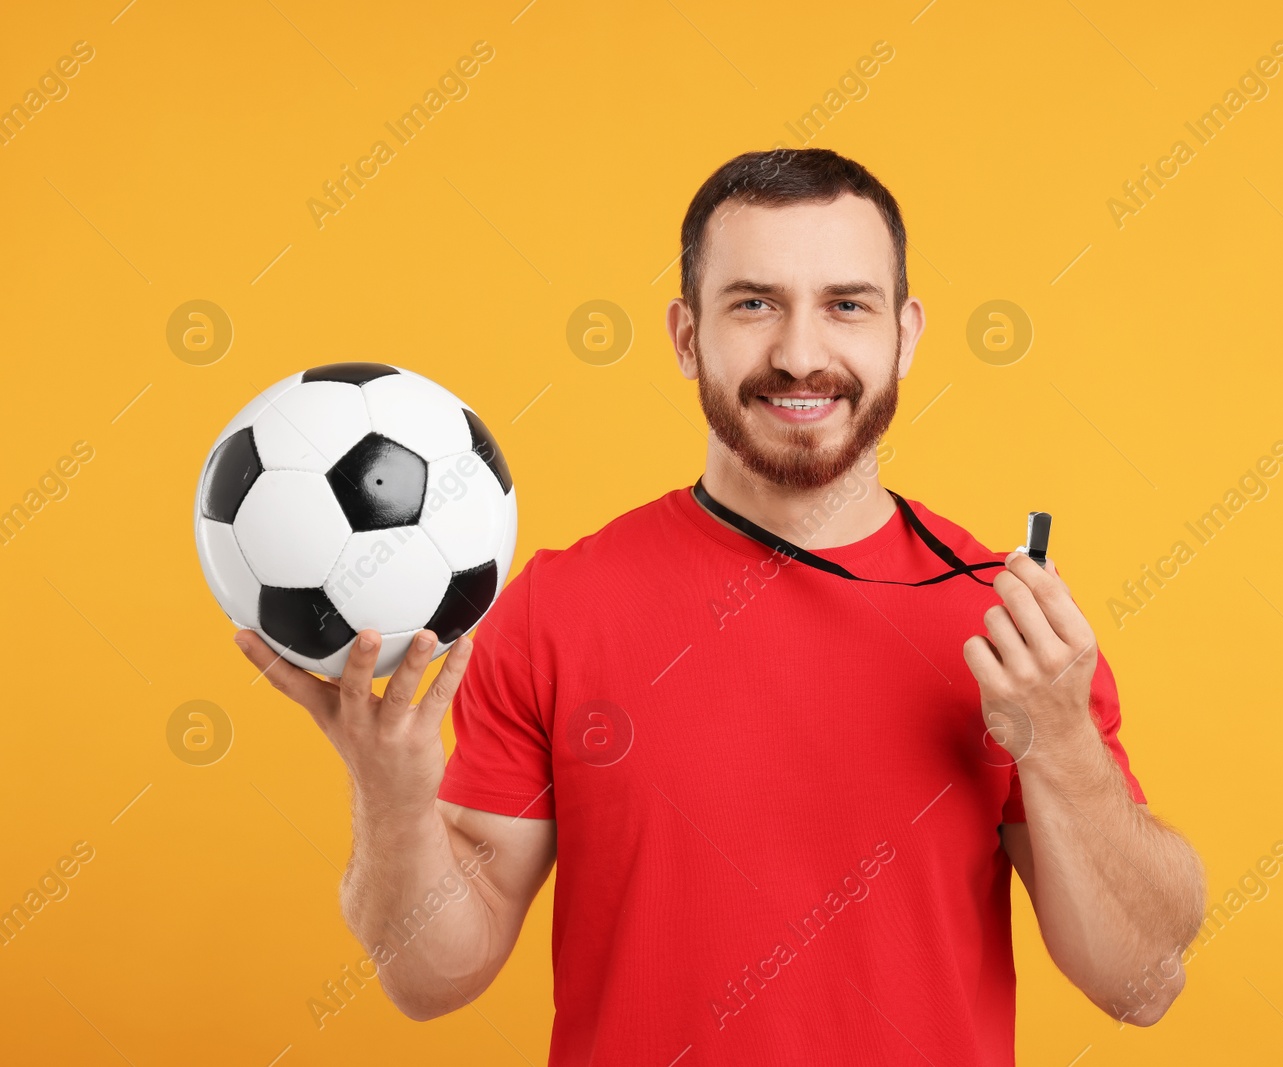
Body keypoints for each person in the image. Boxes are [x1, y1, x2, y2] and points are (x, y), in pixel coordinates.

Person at [236, 147, 1206, 1064]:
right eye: (753, 303)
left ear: (903, 334)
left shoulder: (1010, 627)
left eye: (846, 305)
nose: (798, 352)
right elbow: (430, 976)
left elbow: (1139, 980)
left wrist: (1060, 739)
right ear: (686, 335)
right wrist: (393, 795)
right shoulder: (560, 605)